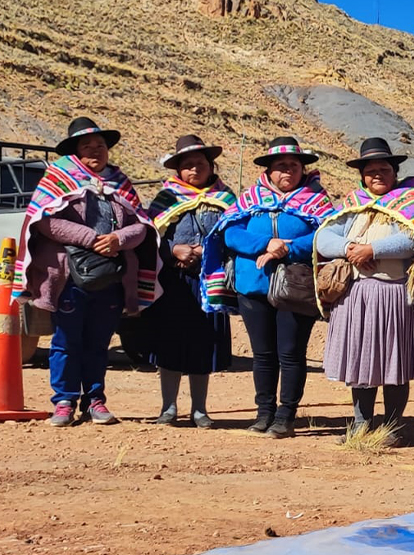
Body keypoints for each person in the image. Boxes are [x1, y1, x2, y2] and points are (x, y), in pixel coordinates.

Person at [14, 117, 159, 426]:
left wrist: (118, 239)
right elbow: (43, 220)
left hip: (110, 276)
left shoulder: (119, 181)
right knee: (66, 340)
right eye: (88, 146)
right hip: (70, 276)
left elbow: (142, 226)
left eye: (101, 145)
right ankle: (64, 400)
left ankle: (95, 400)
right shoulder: (59, 178)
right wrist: (90, 239)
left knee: (98, 341)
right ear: (76, 152)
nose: (96, 150)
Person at [202, 136, 333, 438]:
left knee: (291, 352)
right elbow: (230, 232)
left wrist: (288, 249)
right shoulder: (250, 198)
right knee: (263, 353)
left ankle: (286, 414)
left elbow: (325, 235)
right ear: (269, 171)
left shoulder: (316, 199)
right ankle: (264, 412)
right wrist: (266, 243)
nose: (288, 171)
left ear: (303, 169)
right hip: (253, 285)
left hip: (295, 287)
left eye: (294, 166)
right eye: (281, 166)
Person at [316, 137, 414, 443]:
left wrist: (373, 249)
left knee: (396, 364)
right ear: (362, 175)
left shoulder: (411, 201)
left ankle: (392, 427)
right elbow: (322, 237)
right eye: (371, 170)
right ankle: (361, 424)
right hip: (357, 296)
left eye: (384, 168)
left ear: (394, 172)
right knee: (361, 362)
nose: (377, 175)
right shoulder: (353, 205)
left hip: (396, 295)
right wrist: (348, 247)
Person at [144, 135, 235, 428]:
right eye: (188, 165)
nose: (194, 169)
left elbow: (234, 236)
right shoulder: (166, 199)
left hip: (210, 283)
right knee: (170, 342)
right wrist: (173, 250)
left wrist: (205, 252)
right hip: (174, 282)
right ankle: (168, 408)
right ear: (178, 170)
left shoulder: (227, 200)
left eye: (200, 164)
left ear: (211, 166)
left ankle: (200, 410)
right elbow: (148, 237)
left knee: (203, 343)